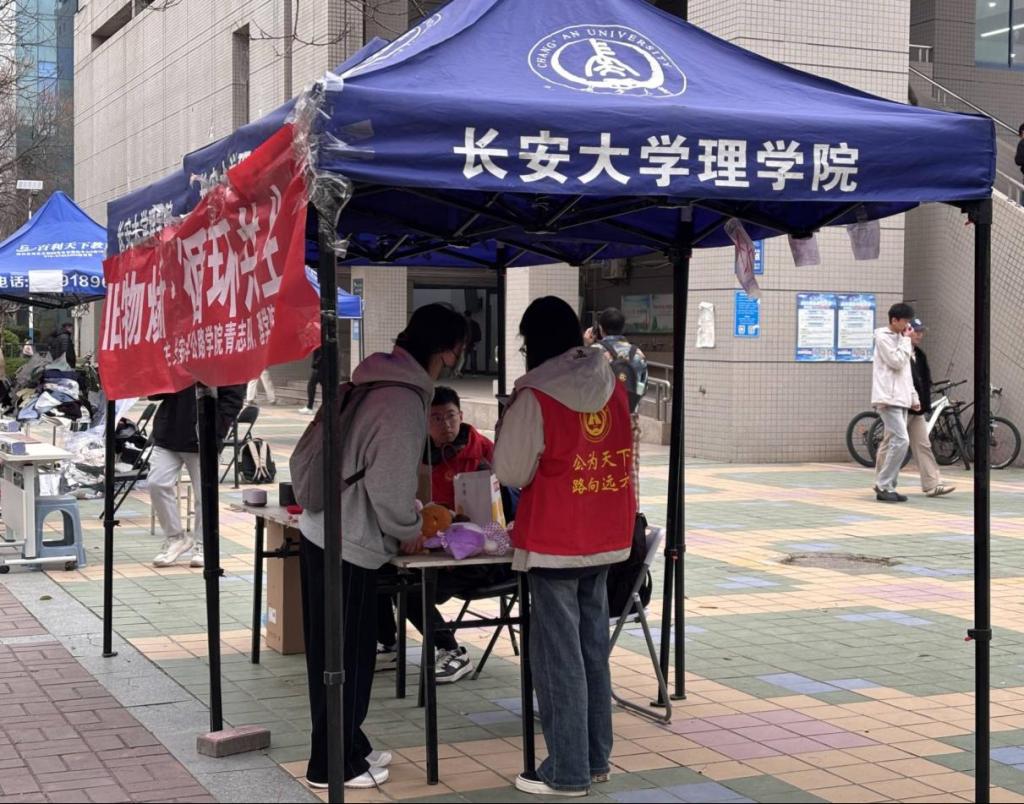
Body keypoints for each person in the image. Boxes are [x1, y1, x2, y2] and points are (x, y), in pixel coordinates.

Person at [297, 303, 467, 790]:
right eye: (461, 349)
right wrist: (410, 525)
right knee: (347, 658)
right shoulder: (401, 400)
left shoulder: (372, 382)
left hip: (323, 528)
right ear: (447, 351)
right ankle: (332, 764)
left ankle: (349, 744)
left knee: (334, 653)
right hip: (348, 540)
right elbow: (388, 487)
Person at [494, 297, 636, 798]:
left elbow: (511, 470)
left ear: (533, 342)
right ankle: (595, 759)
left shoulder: (536, 395)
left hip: (554, 539)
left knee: (559, 658)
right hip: (606, 535)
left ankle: (567, 771)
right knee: (592, 650)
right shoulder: (613, 384)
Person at [375, 385, 505, 684]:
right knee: (378, 570)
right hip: (432, 549)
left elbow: (500, 511)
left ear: (461, 415)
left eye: (450, 416)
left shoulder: (482, 451)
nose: (445, 424)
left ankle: (452, 651)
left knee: (410, 588)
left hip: (480, 554)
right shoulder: (415, 455)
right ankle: (389, 644)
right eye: (436, 418)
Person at [149, 383, 245, 567]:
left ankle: (203, 544)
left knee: (204, 495)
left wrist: (216, 429)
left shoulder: (222, 364)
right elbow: (154, 393)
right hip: (169, 431)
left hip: (204, 436)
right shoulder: (175, 362)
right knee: (156, 483)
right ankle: (175, 538)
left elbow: (233, 398)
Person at [875, 318, 954, 498]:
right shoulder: (897, 351)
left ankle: (932, 484)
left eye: (921, 332)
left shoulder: (919, 354)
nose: (919, 335)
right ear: (906, 331)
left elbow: (922, 381)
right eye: (916, 331)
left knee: (923, 444)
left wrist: (922, 402)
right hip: (900, 406)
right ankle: (881, 482)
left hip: (916, 408)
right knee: (889, 443)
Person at [585, 307, 648, 505]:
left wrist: (586, 344)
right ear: (623, 327)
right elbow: (642, 386)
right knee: (630, 469)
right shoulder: (637, 354)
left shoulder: (595, 352)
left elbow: (582, 385)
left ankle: (599, 511)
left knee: (598, 467)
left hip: (599, 422)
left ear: (600, 328)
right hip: (629, 417)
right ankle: (633, 514)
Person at [872, 302, 920, 503]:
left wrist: (913, 397)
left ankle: (889, 486)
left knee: (895, 441)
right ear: (894, 320)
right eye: (905, 321)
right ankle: (883, 484)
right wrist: (906, 341)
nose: (908, 325)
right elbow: (896, 362)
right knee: (902, 440)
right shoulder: (883, 337)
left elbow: (906, 373)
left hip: (901, 398)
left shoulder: (901, 338)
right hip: (888, 398)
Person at [299, 348, 322, 414]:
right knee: (323, 387)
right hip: (321, 367)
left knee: (311, 385)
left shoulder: (321, 343)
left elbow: (323, 353)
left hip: (320, 367)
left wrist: (316, 363)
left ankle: (309, 407)